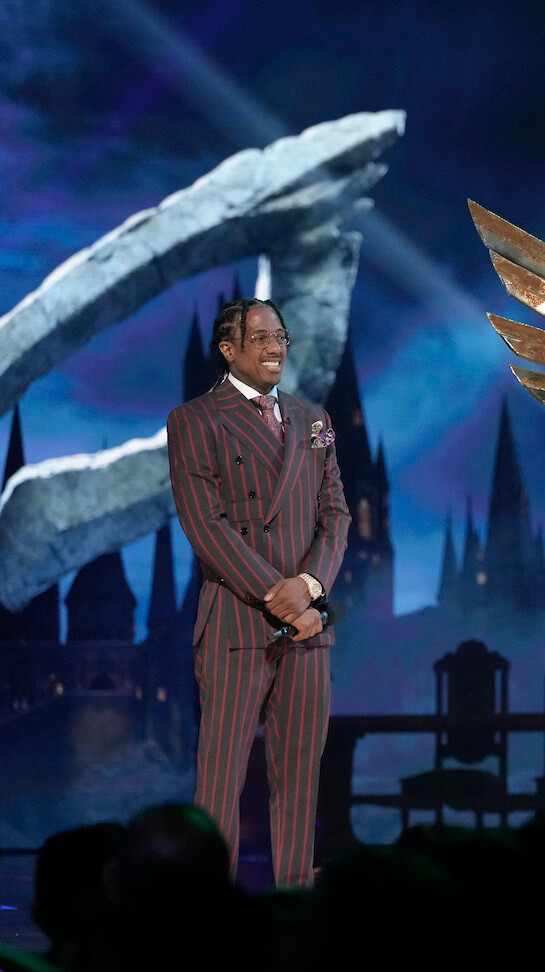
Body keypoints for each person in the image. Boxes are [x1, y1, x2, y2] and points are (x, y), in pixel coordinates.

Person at [166, 298, 350, 888]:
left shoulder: (314, 419)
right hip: (236, 623)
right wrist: (279, 596)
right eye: (262, 337)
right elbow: (205, 524)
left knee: (299, 775)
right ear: (229, 349)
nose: (276, 348)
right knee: (221, 775)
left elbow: (336, 514)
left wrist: (310, 587)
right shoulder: (195, 419)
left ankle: (294, 895)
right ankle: (206, 901)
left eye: (281, 337)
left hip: (307, 627)